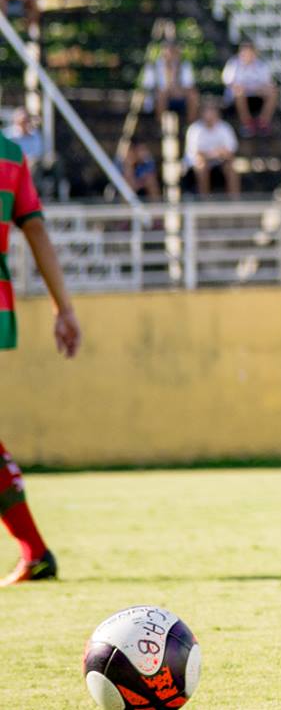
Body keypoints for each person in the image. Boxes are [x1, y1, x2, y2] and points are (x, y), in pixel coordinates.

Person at [1, 124, 81, 585]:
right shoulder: (10, 154)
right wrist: (64, 309)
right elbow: (36, 230)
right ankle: (34, 550)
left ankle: (35, 550)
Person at [222, 40, 278, 136]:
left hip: (257, 97)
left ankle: (263, 122)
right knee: (239, 92)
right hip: (237, 99)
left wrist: (251, 89)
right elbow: (230, 83)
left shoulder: (261, 65)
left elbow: (268, 85)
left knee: (273, 92)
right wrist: (251, 89)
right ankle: (247, 124)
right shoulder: (233, 64)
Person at [184, 104, 239, 197]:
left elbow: (230, 152)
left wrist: (209, 154)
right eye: (207, 113)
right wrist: (217, 152)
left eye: (212, 113)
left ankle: (234, 200)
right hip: (199, 164)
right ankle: (204, 200)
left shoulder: (225, 127)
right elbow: (197, 154)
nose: (209, 116)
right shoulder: (195, 129)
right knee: (201, 166)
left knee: (231, 167)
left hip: (220, 162)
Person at [142, 37, 199, 124]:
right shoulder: (153, 66)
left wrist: (176, 91)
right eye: (169, 50)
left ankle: (191, 125)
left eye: (174, 51)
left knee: (193, 95)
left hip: (180, 97)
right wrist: (166, 90)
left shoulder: (185, 65)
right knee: (161, 94)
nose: (171, 54)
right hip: (159, 98)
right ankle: (160, 126)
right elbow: (148, 86)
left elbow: (189, 85)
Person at [120, 138, 161, 202]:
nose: (144, 153)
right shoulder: (125, 161)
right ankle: (125, 209)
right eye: (141, 150)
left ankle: (156, 206)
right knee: (127, 185)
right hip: (132, 184)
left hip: (142, 183)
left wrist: (141, 182)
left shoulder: (148, 160)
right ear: (134, 151)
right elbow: (126, 178)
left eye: (145, 150)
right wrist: (130, 165)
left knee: (151, 182)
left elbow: (151, 175)